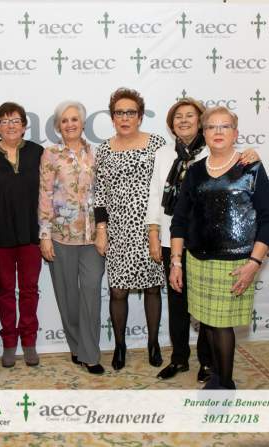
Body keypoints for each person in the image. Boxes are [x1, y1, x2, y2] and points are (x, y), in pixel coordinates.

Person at [147, 98, 261, 381]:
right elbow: (156, 196)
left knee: (208, 310)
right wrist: (154, 232)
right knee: (178, 303)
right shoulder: (163, 153)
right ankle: (179, 359)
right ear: (171, 124)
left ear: (200, 123)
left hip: (207, 243)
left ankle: (207, 363)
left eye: (190, 116)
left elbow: (239, 171)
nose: (183, 120)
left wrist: (252, 154)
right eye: (178, 116)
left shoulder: (211, 151)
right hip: (173, 239)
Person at [169, 106, 269, 390]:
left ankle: (225, 386)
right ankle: (217, 377)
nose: (218, 132)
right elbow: (179, 221)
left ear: (235, 133)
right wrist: (176, 262)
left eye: (225, 126)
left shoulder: (251, 167)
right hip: (197, 261)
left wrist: (254, 263)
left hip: (236, 263)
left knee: (221, 324)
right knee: (208, 321)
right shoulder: (194, 172)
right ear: (204, 133)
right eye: (211, 127)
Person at [94, 87, 165, 371]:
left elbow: (166, 184)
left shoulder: (157, 144)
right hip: (119, 231)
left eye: (130, 112)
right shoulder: (104, 149)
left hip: (150, 229)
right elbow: (99, 194)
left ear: (140, 116)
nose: (125, 118)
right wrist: (101, 229)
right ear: (112, 118)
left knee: (152, 289)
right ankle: (120, 345)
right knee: (118, 292)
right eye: (119, 113)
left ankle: (153, 343)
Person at [39, 100, 106, 375]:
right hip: (60, 236)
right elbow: (45, 194)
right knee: (68, 298)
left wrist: (103, 230)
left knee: (91, 294)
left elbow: (103, 195)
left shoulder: (97, 153)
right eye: (64, 120)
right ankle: (76, 347)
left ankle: (90, 354)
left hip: (92, 238)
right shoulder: (51, 154)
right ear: (58, 126)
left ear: (83, 123)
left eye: (74, 119)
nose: (69, 124)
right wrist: (44, 235)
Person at [0, 102, 44, 368]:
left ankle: (29, 342)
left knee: (29, 290)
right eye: (4, 121)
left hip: (31, 233)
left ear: (24, 125)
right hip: (0, 237)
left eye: (15, 120)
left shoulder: (38, 153)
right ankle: (8, 343)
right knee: (5, 291)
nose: (10, 126)